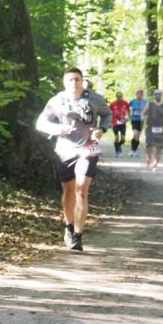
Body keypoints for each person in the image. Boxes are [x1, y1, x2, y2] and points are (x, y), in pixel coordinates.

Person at [36, 67, 112, 252]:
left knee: (81, 191)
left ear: (82, 80)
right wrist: (57, 129)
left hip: (87, 149)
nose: (74, 83)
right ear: (64, 82)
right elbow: (40, 123)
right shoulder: (56, 101)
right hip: (64, 150)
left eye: (77, 79)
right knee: (69, 192)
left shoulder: (94, 98)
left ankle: (78, 235)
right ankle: (69, 226)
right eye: (70, 80)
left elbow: (107, 114)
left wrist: (102, 129)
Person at [141, 89, 163, 170]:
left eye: (159, 94)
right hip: (150, 128)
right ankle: (148, 158)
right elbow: (143, 113)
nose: (157, 95)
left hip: (160, 129)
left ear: (161, 95)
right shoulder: (150, 104)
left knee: (159, 147)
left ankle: (155, 164)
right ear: (154, 95)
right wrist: (142, 117)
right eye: (156, 94)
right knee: (149, 146)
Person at [108, 90, 130, 157]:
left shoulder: (125, 103)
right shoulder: (112, 104)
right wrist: (109, 122)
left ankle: (119, 145)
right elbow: (109, 113)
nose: (119, 98)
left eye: (121, 96)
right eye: (118, 96)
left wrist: (128, 117)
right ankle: (117, 151)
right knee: (116, 137)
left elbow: (128, 111)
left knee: (123, 139)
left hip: (122, 122)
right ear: (116, 97)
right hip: (115, 122)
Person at [128, 89, 147, 156]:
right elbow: (126, 107)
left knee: (138, 136)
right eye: (138, 94)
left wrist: (145, 115)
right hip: (134, 119)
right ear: (136, 94)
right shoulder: (132, 101)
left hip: (141, 121)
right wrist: (128, 115)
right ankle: (131, 150)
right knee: (135, 133)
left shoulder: (145, 102)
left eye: (141, 94)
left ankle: (134, 151)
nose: (140, 95)